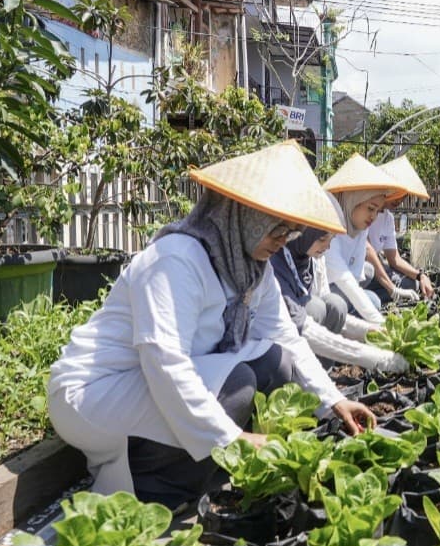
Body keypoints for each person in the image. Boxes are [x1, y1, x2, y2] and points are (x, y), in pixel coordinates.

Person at [47, 141, 376, 509]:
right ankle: (151, 486)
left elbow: (285, 335)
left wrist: (334, 401)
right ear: (245, 218)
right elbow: (165, 361)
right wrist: (232, 439)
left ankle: (196, 463)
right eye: (277, 230)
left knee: (275, 361)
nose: (283, 242)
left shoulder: (252, 268)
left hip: (147, 380)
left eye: (291, 234)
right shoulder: (175, 260)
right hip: (95, 393)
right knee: (238, 387)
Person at [270, 226, 408, 372]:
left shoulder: (314, 259)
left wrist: (372, 331)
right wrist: (376, 359)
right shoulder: (276, 263)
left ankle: (322, 371)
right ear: (300, 234)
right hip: (280, 342)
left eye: (331, 240)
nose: (328, 247)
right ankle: (299, 372)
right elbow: (304, 327)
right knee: (315, 308)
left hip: (305, 331)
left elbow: (334, 311)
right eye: (322, 239)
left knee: (336, 304)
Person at [321, 154, 407, 325]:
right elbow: (344, 277)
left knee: (369, 284)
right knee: (365, 302)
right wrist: (379, 323)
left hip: (339, 283)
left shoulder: (359, 228)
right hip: (320, 290)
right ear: (353, 201)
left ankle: (349, 315)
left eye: (377, 210)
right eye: (370, 208)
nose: (373, 216)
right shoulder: (327, 226)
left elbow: (354, 274)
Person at [363, 156, 435, 305]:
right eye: (396, 194)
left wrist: (420, 275)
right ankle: (367, 298)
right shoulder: (364, 212)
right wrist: (391, 288)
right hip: (363, 270)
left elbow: (394, 259)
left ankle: (372, 296)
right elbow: (367, 251)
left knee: (412, 284)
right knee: (372, 274)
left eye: (403, 196)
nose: (399, 200)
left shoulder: (387, 218)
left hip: (377, 270)